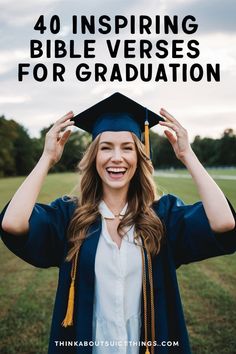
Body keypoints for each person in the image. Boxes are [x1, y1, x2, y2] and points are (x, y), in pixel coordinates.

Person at [0, 92, 235, 354]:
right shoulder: (70, 218)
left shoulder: (162, 217)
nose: (116, 157)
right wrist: (47, 158)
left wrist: (187, 154)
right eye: (106, 147)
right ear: (94, 157)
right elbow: (13, 224)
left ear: (139, 157)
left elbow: (224, 223)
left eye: (127, 148)